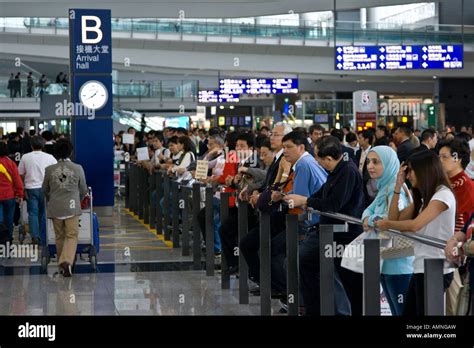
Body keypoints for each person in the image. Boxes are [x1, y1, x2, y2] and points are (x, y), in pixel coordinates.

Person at [284, 135, 363, 316]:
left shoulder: (348, 171)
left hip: (343, 235)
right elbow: (322, 194)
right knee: (306, 262)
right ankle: (316, 308)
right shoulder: (337, 171)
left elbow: (333, 204)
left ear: (328, 158)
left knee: (348, 281)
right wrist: (307, 201)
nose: (316, 162)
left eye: (318, 158)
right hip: (329, 232)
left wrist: (305, 199)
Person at [375, 150, 455, 316]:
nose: (408, 175)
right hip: (421, 266)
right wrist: (398, 186)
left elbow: (414, 225)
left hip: (436, 267)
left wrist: (387, 224)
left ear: (424, 170)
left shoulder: (443, 195)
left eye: (411, 170)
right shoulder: (425, 197)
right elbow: (394, 218)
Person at [361, 146, 414, 315]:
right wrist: (370, 218)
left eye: (376, 162)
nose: (370, 166)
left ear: (389, 164)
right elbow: (367, 211)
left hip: (398, 263)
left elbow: (393, 218)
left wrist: (371, 219)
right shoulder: (385, 186)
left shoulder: (393, 188)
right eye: (369, 161)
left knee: (402, 310)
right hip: (388, 260)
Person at [43, 139, 88, 277]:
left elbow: (45, 189)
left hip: (55, 207)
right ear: (71, 152)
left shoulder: (49, 170)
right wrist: (78, 198)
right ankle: (67, 261)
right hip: (72, 206)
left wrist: (52, 199)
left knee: (59, 236)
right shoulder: (78, 168)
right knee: (71, 235)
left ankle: (62, 265)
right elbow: (83, 188)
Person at [18, 136, 57, 245]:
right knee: (44, 212)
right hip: (45, 189)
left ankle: (35, 236)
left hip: (30, 188)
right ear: (43, 145)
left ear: (31, 146)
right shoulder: (50, 157)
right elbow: (55, 171)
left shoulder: (25, 157)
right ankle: (44, 236)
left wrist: (25, 183)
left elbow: (20, 173)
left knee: (32, 213)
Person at [0, 142, 24, 242]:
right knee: (9, 220)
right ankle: (8, 240)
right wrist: (20, 194)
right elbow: (17, 180)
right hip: (9, 196)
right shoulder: (11, 163)